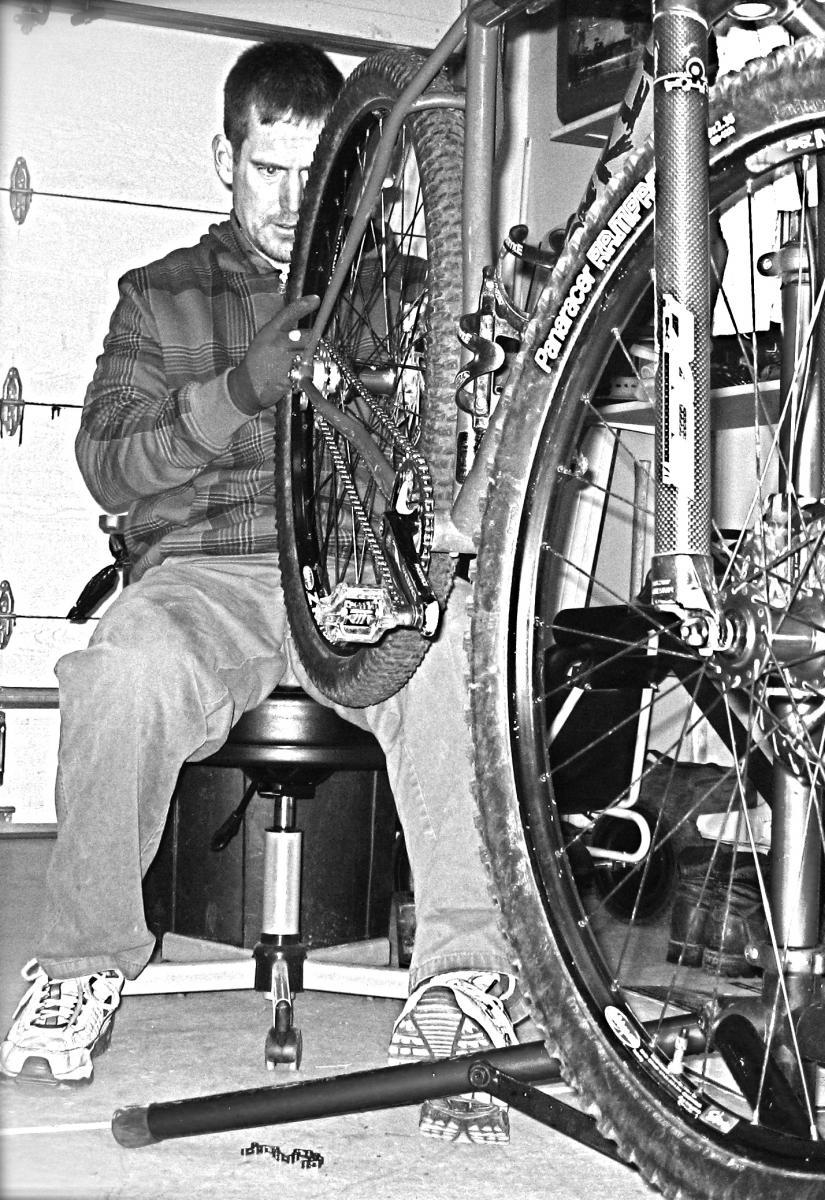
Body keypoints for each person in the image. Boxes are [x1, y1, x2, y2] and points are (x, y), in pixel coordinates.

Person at [0, 41, 520, 1146]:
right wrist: (239, 392)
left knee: (461, 637)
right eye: (265, 171)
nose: (290, 202)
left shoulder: (400, 294)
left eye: (312, 174)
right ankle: (81, 963)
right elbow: (108, 462)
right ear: (222, 160)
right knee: (122, 669)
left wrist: (491, 397)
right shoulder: (161, 296)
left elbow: (464, 469)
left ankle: (465, 980)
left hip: (357, 580)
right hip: (208, 578)